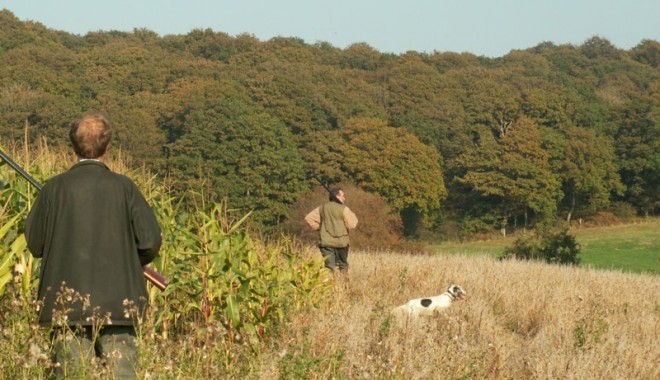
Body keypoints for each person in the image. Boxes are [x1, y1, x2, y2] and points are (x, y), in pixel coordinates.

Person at [25, 112, 162, 379]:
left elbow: (35, 244)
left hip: (67, 309)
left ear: (73, 146)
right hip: (120, 307)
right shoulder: (125, 188)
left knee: (70, 374)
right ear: (107, 146)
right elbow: (150, 242)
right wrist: (131, 262)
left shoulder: (54, 189)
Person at [304, 187, 358, 273]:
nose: (345, 198)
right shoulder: (344, 209)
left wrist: (320, 228)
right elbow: (352, 225)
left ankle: (330, 284)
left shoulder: (322, 208)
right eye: (343, 196)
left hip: (326, 243)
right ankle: (344, 284)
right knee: (343, 265)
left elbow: (308, 218)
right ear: (337, 196)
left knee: (329, 267)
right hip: (342, 243)